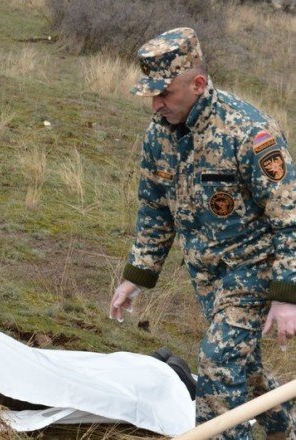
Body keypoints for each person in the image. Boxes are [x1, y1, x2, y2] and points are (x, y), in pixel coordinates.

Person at [109, 28, 295, 439]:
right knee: (242, 365)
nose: (156, 105)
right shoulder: (160, 134)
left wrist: (286, 296)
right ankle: (284, 427)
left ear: (197, 84)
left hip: (254, 269)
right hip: (207, 273)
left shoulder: (249, 133)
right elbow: (155, 208)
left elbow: (290, 216)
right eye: (151, 95)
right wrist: (135, 275)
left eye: (165, 94)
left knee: (217, 366)